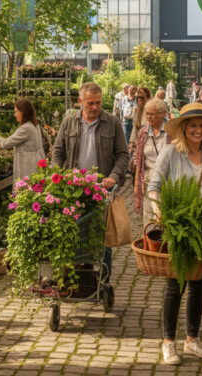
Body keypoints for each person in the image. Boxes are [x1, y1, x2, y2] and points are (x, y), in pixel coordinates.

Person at [146, 103, 202, 365]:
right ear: (183, 128)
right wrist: (160, 213)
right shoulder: (170, 152)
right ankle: (168, 342)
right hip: (176, 227)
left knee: (199, 285)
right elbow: (154, 187)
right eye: (193, 125)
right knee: (175, 285)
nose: (198, 130)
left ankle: (191, 340)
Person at [52, 82, 130, 283]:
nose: (95, 107)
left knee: (102, 235)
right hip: (73, 190)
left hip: (100, 190)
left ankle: (103, 279)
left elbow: (122, 155)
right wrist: (57, 175)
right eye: (90, 103)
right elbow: (58, 152)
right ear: (80, 102)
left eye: (98, 102)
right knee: (74, 232)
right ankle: (76, 273)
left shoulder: (112, 123)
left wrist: (113, 176)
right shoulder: (69, 122)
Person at [0, 99, 45, 181]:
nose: (15, 115)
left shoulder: (26, 128)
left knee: (26, 189)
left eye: (16, 112)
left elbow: (5, 143)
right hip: (36, 165)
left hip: (28, 168)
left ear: (23, 112)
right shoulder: (35, 125)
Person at [132, 99, 170, 226]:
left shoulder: (171, 131)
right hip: (148, 181)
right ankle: (149, 245)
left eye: (153, 114)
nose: (149, 117)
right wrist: (137, 183)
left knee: (166, 217)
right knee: (149, 218)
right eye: (147, 114)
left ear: (163, 114)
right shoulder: (143, 132)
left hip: (168, 182)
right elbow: (138, 159)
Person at [129, 87, 152, 165]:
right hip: (139, 142)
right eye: (138, 98)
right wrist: (132, 142)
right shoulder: (136, 110)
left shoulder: (151, 109)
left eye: (141, 98)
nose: (139, 100)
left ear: (147, 98)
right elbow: (135, 127)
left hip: (149, 141)